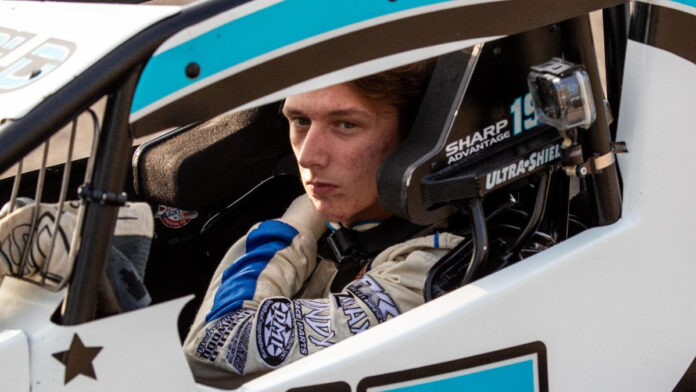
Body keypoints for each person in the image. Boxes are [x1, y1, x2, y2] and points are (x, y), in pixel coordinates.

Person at [183, 62, 465, 386]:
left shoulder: (428, 273)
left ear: (419, 136)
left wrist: (298, 220)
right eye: (300, 121)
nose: (308, 156)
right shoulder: (345, 226)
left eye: (346, 124)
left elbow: (214, 345)